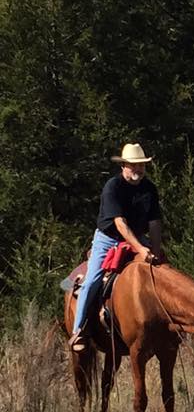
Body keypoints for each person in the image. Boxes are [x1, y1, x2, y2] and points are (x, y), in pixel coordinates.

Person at [69, 142, 165, 351]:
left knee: (165, 271)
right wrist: (140, 249)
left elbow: (155, 222)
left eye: (141, 165)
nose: (138, 169)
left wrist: (156, 250)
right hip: (109, 239)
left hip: (138, 237)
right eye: (133, 165)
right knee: (92, 280)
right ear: (123, 166)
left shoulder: (149, 188)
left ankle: (168, 327)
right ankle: (79, 331)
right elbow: (120, 223)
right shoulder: (113, 186)